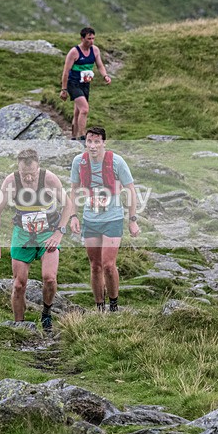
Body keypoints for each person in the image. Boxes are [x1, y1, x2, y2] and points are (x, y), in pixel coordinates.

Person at [0, 149, 73, 332]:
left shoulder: (49, 179)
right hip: (23, 234)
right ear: (18, 170)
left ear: (39, 168)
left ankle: (46, 314)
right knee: (19, 284)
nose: (28, 178)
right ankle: (20, 325)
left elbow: (68, 204)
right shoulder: (11, 181)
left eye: (32, 174)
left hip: (47, 233)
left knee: (49, 278)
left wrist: (59, 233)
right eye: (24, 174)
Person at [68, 126, 140, 312]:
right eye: (89, 141)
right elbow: (74, 190)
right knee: (95, 266)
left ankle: (114, 305)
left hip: (113, 219)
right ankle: (99, 307)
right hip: (90, 219)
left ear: (103, 143)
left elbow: (131, 190)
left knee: (108, 265)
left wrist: (132, 219)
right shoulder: (79, 162)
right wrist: (73, 216)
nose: (92, 146)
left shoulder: (116, 162)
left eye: (96, 142)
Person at [59, 27, 111, 142]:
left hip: (85, 84)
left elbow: (100, 65)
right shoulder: (74, 52)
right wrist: (64, 89)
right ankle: (83, 137)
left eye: (93, 38)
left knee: (78, 112)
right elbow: (66, 72)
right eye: (88, 39)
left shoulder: (95, 50)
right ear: (82, 38)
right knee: (85, 109)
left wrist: (105, 75)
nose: (91, 41)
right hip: (73, 84)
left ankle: (73, 137)